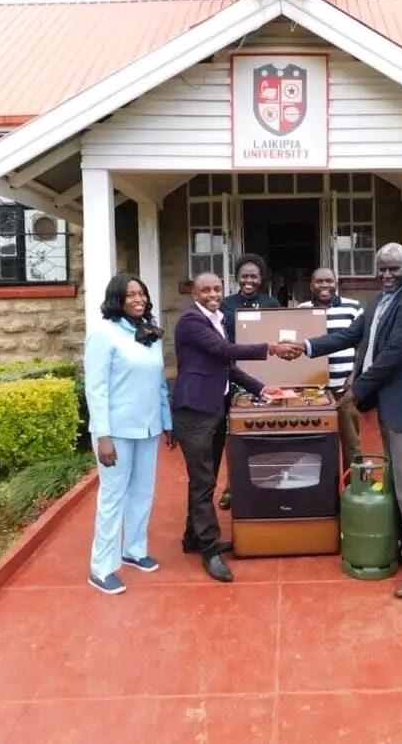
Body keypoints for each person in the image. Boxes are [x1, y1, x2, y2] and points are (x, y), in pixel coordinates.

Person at [290, 243, 402, 599]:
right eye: (382, 269)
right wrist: (305, 347)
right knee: (399, 481)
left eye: (394, 269)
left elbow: (391, 358)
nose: (387, 275)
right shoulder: (379, 301)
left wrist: (355, 391)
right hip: (392, 404)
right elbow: (349, 336)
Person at [172, 272, 295, 582]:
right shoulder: (191, 321)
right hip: (194, 411)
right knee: (203, 482)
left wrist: (263, 389)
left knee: (207, 477)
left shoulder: (217, 319)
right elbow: (226, 352)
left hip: (213, 408)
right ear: (194, 292)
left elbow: (227, 367)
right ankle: (210, 550)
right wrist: (271, 347)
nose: (213, 293)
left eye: (216, 288)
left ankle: (192, 538)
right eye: (205, 289)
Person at [83, 272, 172, 595]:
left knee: (143, 491)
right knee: (112, 496)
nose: (138, 299)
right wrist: (102, 435)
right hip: (116, 431)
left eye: (142, 294)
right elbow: (96, 389)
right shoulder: (103, 335)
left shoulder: (150, 333)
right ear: (117, 300)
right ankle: (101, 567)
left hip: (147, 427)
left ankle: (134, 549)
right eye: (131, 295)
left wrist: (166, 422)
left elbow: (159, 381)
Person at [217, 253, 280, 510]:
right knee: (235, 434)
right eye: (244, 276)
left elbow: (277, 336)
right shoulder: (225, 304)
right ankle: (233, 485)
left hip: (265, 374)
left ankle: (269, 480)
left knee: (267, 429)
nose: (249, 280)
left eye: (253, 276)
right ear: (237, 278)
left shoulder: (272, 303)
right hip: (234, 374)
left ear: (261, 278)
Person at [297, 267, 363, 470]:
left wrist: (355, 374)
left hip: (345, 388)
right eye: (319, 281)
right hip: (313, 390)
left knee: (352, 444)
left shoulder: (353, 308)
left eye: (328, 281)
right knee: (317, 442)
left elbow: (363, 344)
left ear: (336, 284)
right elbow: (297, 348)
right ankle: (322, 491)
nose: (324, 285)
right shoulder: (301, 310)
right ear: (311, 286)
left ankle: (354, 490)